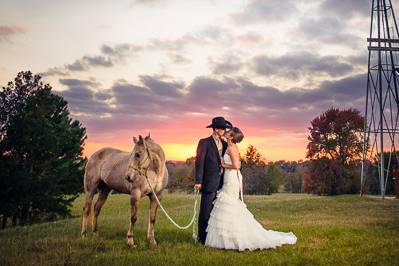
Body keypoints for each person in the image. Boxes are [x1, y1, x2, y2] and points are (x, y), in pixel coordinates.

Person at [204, 126, 297, 251]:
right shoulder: (232, 147)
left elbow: (237, 166)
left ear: (231, 137)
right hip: (230, 177)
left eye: (228, 132)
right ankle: (228, 237)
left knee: (229, 203)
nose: (225, 132)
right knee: (229, 203)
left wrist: (223, 164)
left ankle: (235, 237)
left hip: (231, 178)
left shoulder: (231, 148)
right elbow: (239, 163)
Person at [195, 116, 232, 244]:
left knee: (217, 212)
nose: (224, 130)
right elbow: (199, 163)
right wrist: (198, 181)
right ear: (216, 129)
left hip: (223, 182)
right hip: (208, 182)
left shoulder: (225, 143)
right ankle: (202, 239)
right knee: (205, 212)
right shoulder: (204, 142)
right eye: (223, 128)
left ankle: (214, 238)